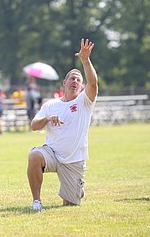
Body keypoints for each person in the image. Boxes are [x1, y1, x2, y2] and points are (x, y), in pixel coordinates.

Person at [27, 38, 98, 210]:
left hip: (74, 160)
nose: (75, 82)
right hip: (51, 154)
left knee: (70, 205)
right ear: (64, 83)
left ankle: (75, 190)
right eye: (72, 79)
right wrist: (47, 118)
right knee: (34, 156)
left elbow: (94, 83)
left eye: (78, 80)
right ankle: (36, 202)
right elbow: (34, 125)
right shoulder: (51, 104)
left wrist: (85, 60)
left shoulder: (84, 102)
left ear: (81, 87)